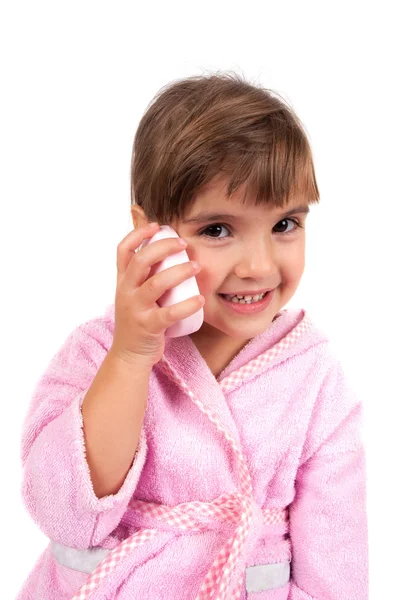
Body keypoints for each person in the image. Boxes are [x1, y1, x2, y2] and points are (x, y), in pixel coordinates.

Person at [17, 72, 368, 600]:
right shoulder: (97, 352)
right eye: (217, 230)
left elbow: (337, 564)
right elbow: (64, 512)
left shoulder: (315, 378)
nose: (258, 265)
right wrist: (132, 358)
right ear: (148, 231)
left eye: (285, 225)